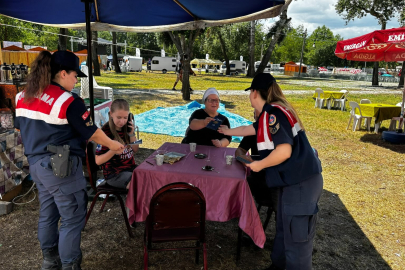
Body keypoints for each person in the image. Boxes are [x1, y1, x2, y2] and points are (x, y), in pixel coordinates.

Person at [14, 50, 124, 270]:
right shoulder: (67, 100)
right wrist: (114, 145)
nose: (76, 81)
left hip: (36, 165)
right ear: (62, 73)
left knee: (48, 213)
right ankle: (69, 265)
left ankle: (49, 262)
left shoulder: (23, 95)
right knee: (72, 218)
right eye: (75, 76)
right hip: (60, 166)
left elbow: (20, 127)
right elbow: (91, 132)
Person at [218, 73, 323, 270]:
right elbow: (249, 129)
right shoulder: (270, 114)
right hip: (289, 181)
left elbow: (284, 151)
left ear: (255, 92)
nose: (250, 96)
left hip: (300, 183)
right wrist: (227, 132)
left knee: (297, 241)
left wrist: (258, 165)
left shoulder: (273, 113)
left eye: (250, 92)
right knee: (284, 228)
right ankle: (278, 265)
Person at [235, 109, 279, 219]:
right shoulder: (253, 130)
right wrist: (247, 161)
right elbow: (239, 151)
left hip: (278, 177)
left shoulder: (279, 131)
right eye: (258, 116)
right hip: (260, 177)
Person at [95, 99, 139, 189]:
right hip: (114, 175)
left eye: (125, 118)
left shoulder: (127, 129)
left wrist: (132, 134)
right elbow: (98, 161)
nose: (122, 122)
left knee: (150, 176)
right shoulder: (105, 133)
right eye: (119, 117)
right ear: (111, 114)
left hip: (130, 168)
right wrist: (113, 151)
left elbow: (135, 150)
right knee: (139, 184)